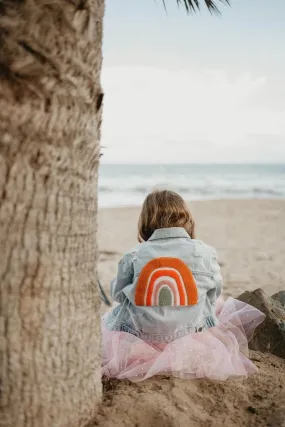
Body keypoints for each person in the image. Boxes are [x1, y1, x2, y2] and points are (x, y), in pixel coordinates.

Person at [102, 190, 265, 382]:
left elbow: (117, 296)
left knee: (117, 311)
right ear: (186, 219)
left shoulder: (133, 255)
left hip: (143, 336)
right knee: (214, 304)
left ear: (145, 222)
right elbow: (214, 294)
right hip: (190, 334)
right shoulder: (205, 253)